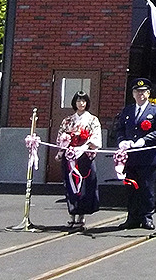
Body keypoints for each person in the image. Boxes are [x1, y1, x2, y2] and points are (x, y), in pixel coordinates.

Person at [114, 78, 156, 230]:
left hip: (148, 157)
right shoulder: (128, 110)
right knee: (131, 188)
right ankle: (132, 217)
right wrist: (122, 141)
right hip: (130, 157)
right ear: (133, 94)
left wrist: (144, 140)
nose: (140, 95)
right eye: (137, 92)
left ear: (148, 94)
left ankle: (147, 217)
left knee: (146, 189)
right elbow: (120, 129)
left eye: (143, 92)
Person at [55, 91, 102, 228]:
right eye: (78, 101)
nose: (81, 103)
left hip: (85, 157)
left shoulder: (93, 120)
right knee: (70, 184)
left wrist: (84, 146)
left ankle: (81, 215)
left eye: (83, 101)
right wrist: (61, 150)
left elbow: (96, 138)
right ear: (74, 103)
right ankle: (72, 213)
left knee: (85, 185)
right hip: (70, 157)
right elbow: (60, 138)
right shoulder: (67, 121)